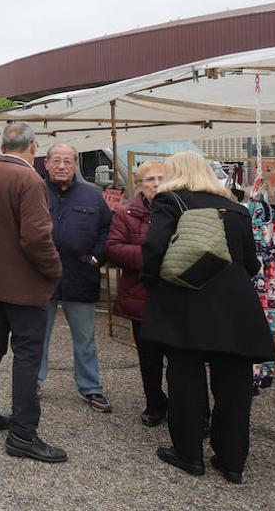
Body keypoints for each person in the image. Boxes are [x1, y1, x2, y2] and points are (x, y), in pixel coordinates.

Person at [141, 151, 275, 484]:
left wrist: (152, 281)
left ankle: (189, 454)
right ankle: (232, 461)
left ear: (175, 172)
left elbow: (154, 247)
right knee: (234, 385)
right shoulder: (235, 207)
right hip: (236, 304)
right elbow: (251, 262)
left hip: (186, 300)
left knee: (185, 378)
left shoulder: (169, 200)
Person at [0, 122, 66, 464]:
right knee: (26, 355)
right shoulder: (30, 180)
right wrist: (53, 269)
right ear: (33, 147)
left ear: (3, 144)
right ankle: (23, 433)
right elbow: (36, 237)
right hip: (22, 284)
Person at [37, 143, 114, 413]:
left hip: (80, 275)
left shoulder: (92, 196)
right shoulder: (34, 192)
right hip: (41, 277)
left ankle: (91, 387)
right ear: (45, 164)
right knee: (36, 336)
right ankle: (32, 383)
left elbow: (107, 229)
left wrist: (97, 256)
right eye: (56, 160)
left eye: (68, 161)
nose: (61, 166)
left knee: (85, 338)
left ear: (75, 166)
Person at [105, 160, 167, 425]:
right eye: (149, 180)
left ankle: (184, 405)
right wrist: (152, 256)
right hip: (141, 295)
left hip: (173, 296)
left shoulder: (177, 210)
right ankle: (154, 403)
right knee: (149, 357)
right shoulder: (126, 213)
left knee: (178, 357)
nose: (156, 184)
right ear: (139, 185)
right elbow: (114, 249)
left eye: (160, 178)